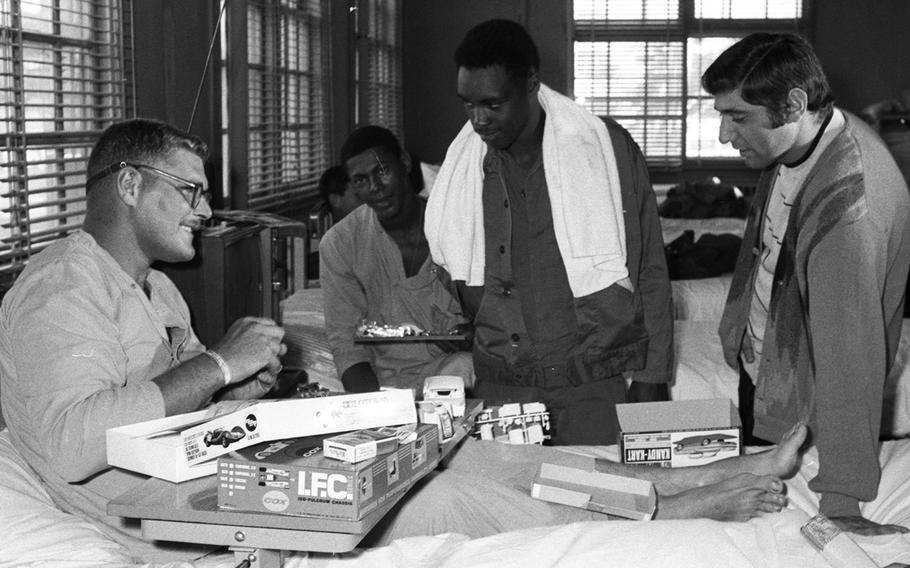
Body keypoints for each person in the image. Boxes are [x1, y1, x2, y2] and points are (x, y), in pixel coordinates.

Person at [0, 118, 288, 563]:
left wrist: (234, 386)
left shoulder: (159, 287)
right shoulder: (60, 287)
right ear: (131, 185)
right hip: (169, 537)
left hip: (221, 497)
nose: (206, 210)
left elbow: (176, 395)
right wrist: (219, 364)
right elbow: (73, 445)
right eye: (190, 190)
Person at [425, 19, 673, 445]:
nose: (478, 120)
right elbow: (452, 272)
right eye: (468, 104)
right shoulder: (464, 170)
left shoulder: (605, 149)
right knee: (509, 509)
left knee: (602, 504)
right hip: (503, 388)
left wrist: (652, 377)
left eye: (492, 104)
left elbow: (648, 266)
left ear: (531, 85)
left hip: (591, 385)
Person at [704, 33, 910, 535]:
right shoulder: (806, 140)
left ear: (795, 104)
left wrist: (840, 500)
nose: (725, 135)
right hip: (770, 367)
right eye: (721, 115)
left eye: (738, 117)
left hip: (807, 405)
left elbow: (851, 360)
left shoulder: (850, 207)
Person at [320, 125, 474, 393]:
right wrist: (375, 412)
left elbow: (498, 314)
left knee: (465, 366)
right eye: (360, 180)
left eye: (382, 171)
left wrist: (476, 335)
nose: (375, 188)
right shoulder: (341, 244)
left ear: (404, 162)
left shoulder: (455, 225)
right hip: (383, 386)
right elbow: (346, 346)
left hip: (457, 373)